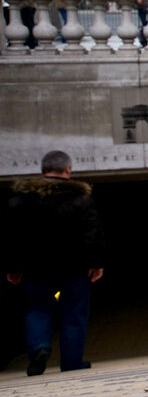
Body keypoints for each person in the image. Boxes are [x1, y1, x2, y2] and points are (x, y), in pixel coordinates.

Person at [2, 151, 105, 375]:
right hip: (74, 267)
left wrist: (13, 267)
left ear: (43, 170)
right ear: (68, 169)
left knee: (37, 309)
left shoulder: (20, 200)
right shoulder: (80, 198)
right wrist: (96, 263)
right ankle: (71, 362)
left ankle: (39, 347)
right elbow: (91, 234)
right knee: (74, 313)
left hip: (35, 268)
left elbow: (12, 237)